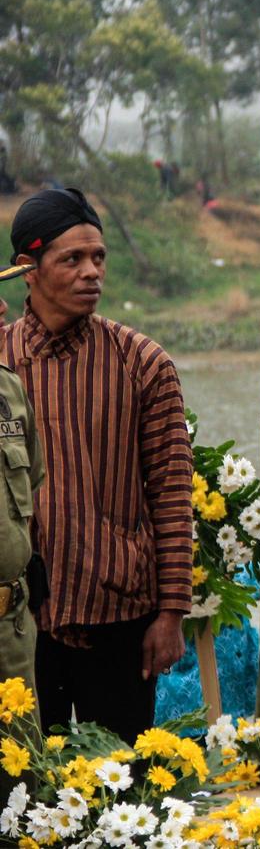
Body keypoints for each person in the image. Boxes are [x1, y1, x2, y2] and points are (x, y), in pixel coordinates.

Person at [0, 187, 191, 740]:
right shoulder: (1, 363)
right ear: (26, 270)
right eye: (72, 259)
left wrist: (171, 613)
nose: (91, 272)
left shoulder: (143, 363)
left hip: (122, 618)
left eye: (99, 258)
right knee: (28, 797)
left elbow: (172, 494)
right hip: (20, 626)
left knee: (123, 792)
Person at [0, 261, 43, 691]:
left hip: (11, 630)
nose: (1, 308)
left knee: (23, 757)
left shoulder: (8, 390)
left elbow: (31, 482)